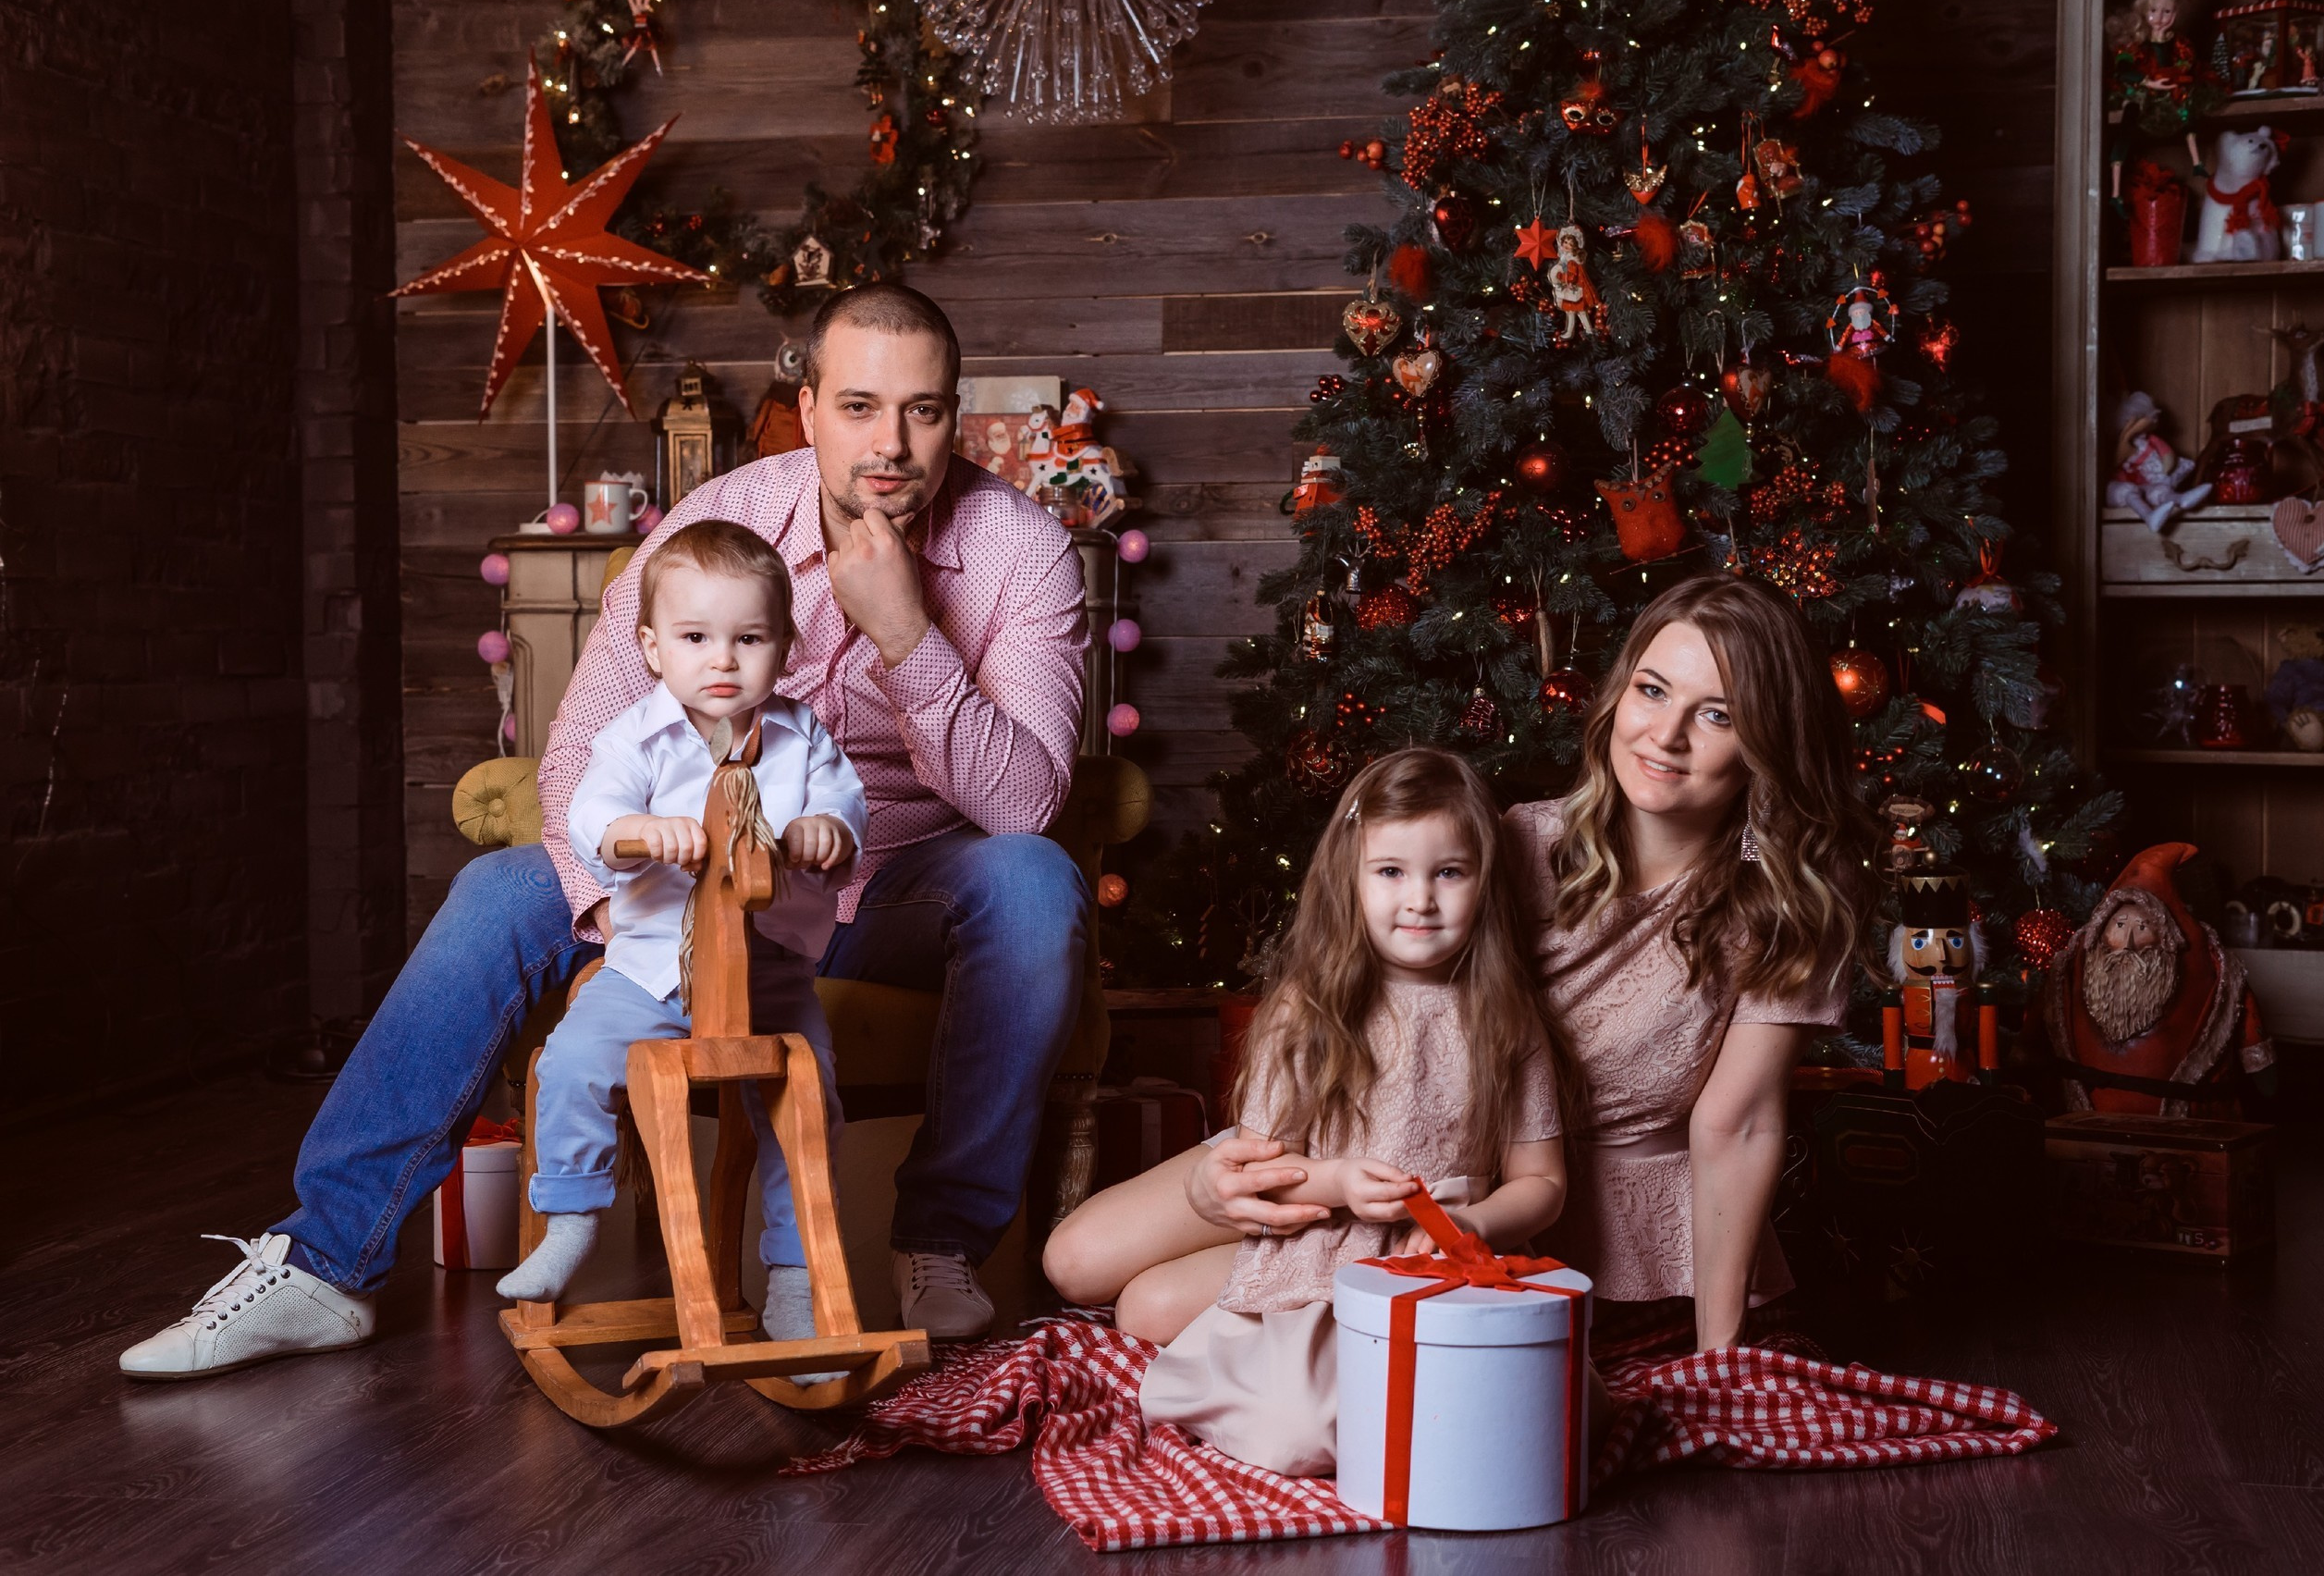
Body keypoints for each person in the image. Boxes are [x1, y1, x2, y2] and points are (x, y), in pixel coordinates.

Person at [122, 283, 1089, 1380]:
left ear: (954, 417)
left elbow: (1023, 805)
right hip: (682, 876)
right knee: (498, 892)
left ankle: (942, 1242)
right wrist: (657, 927)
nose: (892, 445)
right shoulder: (716, 526)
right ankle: (321, 1264)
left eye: (923, 412)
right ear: (808, 407)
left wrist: (907, 631)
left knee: (1032, 881)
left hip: (886, 880)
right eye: (860, 407)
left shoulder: (1020, 552)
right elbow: (580, 746)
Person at [1045, 575, 1875, 1358]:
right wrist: (1237, 1176)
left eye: (1718, 714)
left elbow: (1738, 1124)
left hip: (1490, 1185)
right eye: (1652, 690)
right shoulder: (1515, 841)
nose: (1665, 735)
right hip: (1352, 1126)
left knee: (1149, 1307)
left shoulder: (1789, 903)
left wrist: (1717, 1354)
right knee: (1074, 1260)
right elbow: (1347, 971)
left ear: (1768, 739)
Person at [1129, 748, 1572, 1475]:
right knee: (1300, 1431)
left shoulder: (1508, 1019)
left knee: (1527, 1415)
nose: (1420, 899)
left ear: (1485, 882)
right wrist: (1335, 1183)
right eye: (1392, 871)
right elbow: (1262, 1170)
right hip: (1322, 1252)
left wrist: (1476, 1223)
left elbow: (1544, 1182)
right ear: (1351, 878)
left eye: (1449, 872)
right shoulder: (1306, 1015)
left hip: (1439, 1261)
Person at [492, 521, 865, 1361]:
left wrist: (823, 831)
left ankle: (796, 1277)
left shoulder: (804, 738)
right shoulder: (636, 735)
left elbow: (847, 809)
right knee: (570, 1061)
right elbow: (590, 810)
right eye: (697, 638)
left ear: (786, 647)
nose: (723, 660)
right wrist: (636, 831)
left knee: (809, 1102)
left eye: (750, 638)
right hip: (653, 970)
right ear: (654, 648)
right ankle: (573, 1217)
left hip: (767, 974)